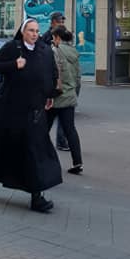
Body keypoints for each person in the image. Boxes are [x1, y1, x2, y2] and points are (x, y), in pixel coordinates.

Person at [0, 18, 62, 212]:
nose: (34, 34)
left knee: (35, 152)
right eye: (30, 30)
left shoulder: (44, 51)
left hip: (33, 112)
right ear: (23, 32)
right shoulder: (13, 48)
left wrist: (50, 94)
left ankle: (37, 197)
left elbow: (50, 74)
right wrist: (13, 65)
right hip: (9, 111)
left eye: (37, 31)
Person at [48, 26, 83, 174]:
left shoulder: (55, 51)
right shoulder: (74, 52)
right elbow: (78, 77)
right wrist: (74, 92)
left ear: (57, 38)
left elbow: (51, 74)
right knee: (70, 130)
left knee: (43, 130)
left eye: (53, 38)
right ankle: (78, 162)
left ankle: (44, 161)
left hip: (55, 97)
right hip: (69, 95)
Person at [40, 12, 70, 150]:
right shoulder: (46, 37)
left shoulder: (65, 36)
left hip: (62, 82)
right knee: (49, 116)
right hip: (51, 82)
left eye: (63, 21)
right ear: (52, 22)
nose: (62, 23)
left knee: (63, 113)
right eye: (59, 21)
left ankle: (60, 141)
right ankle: (40, 141)